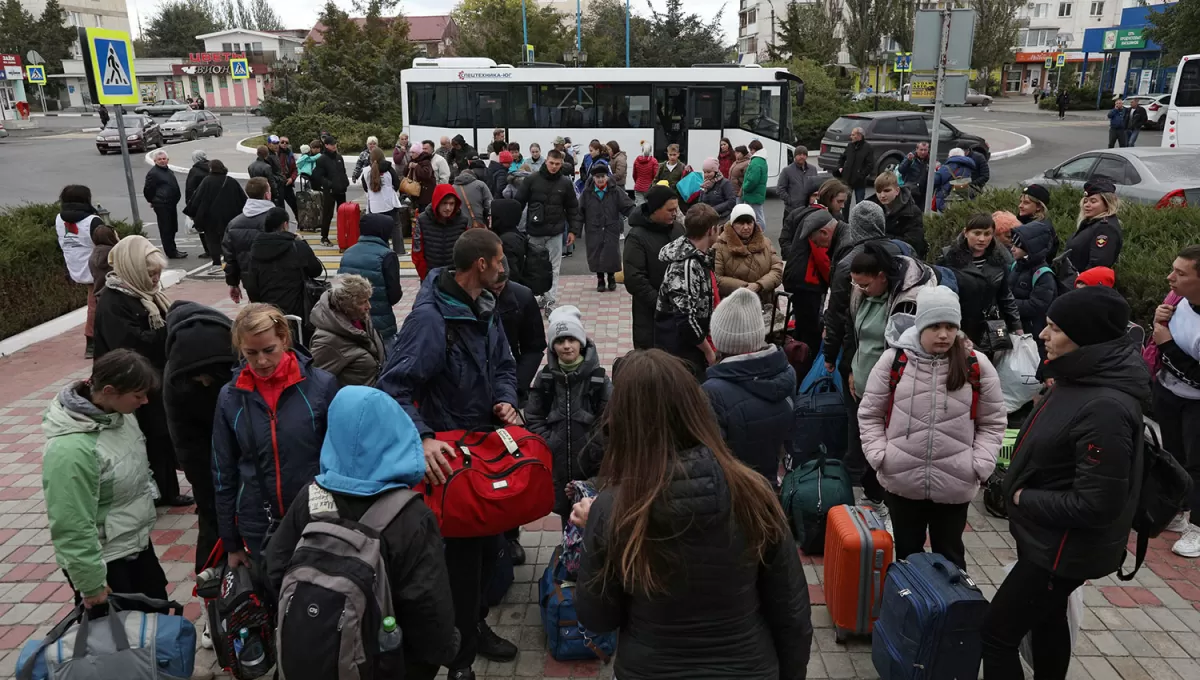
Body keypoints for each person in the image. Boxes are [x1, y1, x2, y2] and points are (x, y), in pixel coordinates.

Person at [572, 349, 812, 680]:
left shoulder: (613, 508)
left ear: (624, 422)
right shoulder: (754, 492)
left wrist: (596, 531)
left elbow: (597, 616)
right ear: (696, 409)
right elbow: (792, 612)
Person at [982, 286, 1147, 679]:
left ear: (1085, 338)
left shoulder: (1104, 406)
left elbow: (1098, 503)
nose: (1042, 334)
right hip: (1050, 543)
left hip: (1061, 552)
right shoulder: (1078, 378)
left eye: (1054, 328)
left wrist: (1022, 497)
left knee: (995, 634)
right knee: (1047, 619)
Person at [377, 230, 521, 678]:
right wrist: (423, 437)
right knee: (458, 564)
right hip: (450, 461)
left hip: (484, 449)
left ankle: (474, 628)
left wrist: (505, 398)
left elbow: (504, 365)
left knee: (488, 549)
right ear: (480, 264)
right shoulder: (430, 319)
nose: (503, 266)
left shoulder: (485, 306)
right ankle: (458, 660)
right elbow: (392, 387)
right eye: (498, 260)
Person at [265, 386, 460, 680]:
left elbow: (275, 566)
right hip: (386, 664)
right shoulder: (411, 516)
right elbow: (427, 604)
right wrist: (445, 649)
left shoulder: (310, 496)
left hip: (313, 657)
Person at [858, 286, 1006, 570]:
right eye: (935, 326)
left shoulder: (976, 365)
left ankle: (952, 613)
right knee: (906, 558)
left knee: (951, 560)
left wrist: (979, 465)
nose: (943, 334)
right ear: (920, 324)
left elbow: (993, 421)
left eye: (950, 326)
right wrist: (879, 455)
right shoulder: (895, 361)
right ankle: (909, 610)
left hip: (955, 482)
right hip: (902, 480)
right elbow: (870, 414)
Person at [213, 303, 340, 567]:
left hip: (316, 516)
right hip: (259, 523)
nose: (261, 361)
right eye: (251, 353)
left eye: (269, 350)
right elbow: (223, 471)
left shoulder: (321, 386)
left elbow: (341, 457)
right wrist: (231, 542)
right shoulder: (230, 397)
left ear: (283, 338)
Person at [44, 349, 168, 611]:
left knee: (156, 621)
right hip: (106, 563)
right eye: (138, 395)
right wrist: (91, 584)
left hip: (135, 545)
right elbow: (71, 524)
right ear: (110, 391)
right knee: (118, 645)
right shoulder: (71, 450)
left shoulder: (120, 417)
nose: (145, 401)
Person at [92, 235, 192, 509]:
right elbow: (130, 344)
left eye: (158, 273)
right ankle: (160, 492)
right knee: (150, 436)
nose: (155, 280)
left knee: (159, 435)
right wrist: (167, 330)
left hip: (151, 379)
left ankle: (166, 490)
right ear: (134, 270)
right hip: (129, 384)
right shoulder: (114, 300)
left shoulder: (145, 295)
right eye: (150, 274)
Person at [161, 301, 234, 630]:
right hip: (206, 459)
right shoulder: (175, 378)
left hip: (242, 458)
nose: (205, 383)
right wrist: (205, 488)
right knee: (213, 527)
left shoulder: (233, 360)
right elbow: (184, 442)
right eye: (198, 379)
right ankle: (213, 610)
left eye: (212, 377)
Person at [701, 288, 796, 486]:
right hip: (770, 485)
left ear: (720, 339)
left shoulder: (713, 392)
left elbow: (710, 458)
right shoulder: (787, 373)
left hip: (736, 492)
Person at [527, 306, 611, 523]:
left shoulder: (599, 379)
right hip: (559, 466)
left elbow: (610, 419)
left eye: (571, 340)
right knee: (568, 518)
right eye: (560, 340)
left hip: (592, 466)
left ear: (581, 342)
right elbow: (533, 416)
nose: (566, 346)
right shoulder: (545, 379)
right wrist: (550, 442)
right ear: (553, 346)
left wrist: (593, 445)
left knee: (594, 517)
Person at [1151, 246, 1200, 557]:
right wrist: (1160, 321)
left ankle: (1197, 528)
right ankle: (1179, 511)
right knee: (1173, 456)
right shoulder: (1178, 300)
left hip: (1196, 402)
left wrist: (1166, 344)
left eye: (1181, 274)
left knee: (1198, 464)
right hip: (1169, 392)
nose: (1170, 278)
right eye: (1173, 269)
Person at [937, 213, 1022, 354]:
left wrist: (1017, 326)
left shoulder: (1000, 259)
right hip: (959, 324)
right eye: (977, 233)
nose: (982, 239)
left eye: (987, 234)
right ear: (966, 233)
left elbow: (1005, 296)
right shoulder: (949, 257)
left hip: (990, 327)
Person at [656, 203, 723, 379]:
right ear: (710, 230)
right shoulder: (686, 265)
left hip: (690, 347)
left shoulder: (699, 257)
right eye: (718, 228)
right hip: (682, 353)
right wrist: (709, 353)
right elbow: (685, 319)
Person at [515, 149, 582, 314]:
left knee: (554, 268)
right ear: (546, 161)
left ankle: (550, 301)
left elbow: (573, 208)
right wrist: (513, 227)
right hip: (534, 231)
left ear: (561, 164)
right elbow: (518, 203)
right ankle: (535, 298)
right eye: (551, 163)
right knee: (533, 267)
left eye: (557, 164)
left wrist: (573, 230)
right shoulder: (531, 180)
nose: (554, 166)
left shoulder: (565, 183)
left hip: (556, 232)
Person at [625, 185, 685, 349]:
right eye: (670, 210)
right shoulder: (636, 236)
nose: (675, 213)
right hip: (650, 316)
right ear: (655, 210)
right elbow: (634, 279)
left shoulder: (678, 229)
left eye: (676, 209)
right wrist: (662, 304)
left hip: (680, 313)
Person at [244, 207, 324, 323]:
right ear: (285, 225)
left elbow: (251, 285)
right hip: (298, 311)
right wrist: (302, 243)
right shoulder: (297, 246)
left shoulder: (256, 248)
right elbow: (316, 270)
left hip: (269, 314)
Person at [310, 274, 387, 387]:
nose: (369, 306)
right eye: (362, 302)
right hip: (356, 402)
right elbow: (316, 384)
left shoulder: (360, 319)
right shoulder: (327, 341)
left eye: (367, 300)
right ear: (347, 306)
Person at [782, 207, 838, 362]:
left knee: (802, 324)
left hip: (795, 279)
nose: (841, 206)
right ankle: (806, 361)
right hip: (807, 282)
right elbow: (823, 260)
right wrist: (834, 282)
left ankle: (798, 356)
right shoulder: (818, 223)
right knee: (811, 329)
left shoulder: (803, 215)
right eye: (839, 202)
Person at [336, 213, 404, 341]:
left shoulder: (348, 252)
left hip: (352, 322)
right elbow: (394, 295)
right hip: (380, 325)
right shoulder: (387, 255)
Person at [56, 185, 104, 358]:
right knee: (96, 304)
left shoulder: (59, 219)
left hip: (75, 266)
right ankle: (92, 340)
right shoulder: (92, 221)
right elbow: (105, 243)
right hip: (96, 267)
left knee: (94, 302)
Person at [489, 267, 545, 410]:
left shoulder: (522, 296)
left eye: (499, 288)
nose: (495, 293)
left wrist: (517, 387)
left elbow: (534, 348)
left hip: (511, 379)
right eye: (490, 289)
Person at [579, 162, 633, 292]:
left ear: (607, 177)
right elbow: (578, 212)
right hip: (593, 229)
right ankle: (600, 279)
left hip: (611, 227)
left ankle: (611, 277)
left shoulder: (615, 191)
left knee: (611, 253)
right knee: (596, 253)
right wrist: (574, 230)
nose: (600, 179)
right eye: (597, 177)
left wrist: (636, 218)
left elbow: (628, 206)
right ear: (593, 178)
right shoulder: (587, 193)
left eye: (603, 176)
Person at [714, 203, 784, 303]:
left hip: (766, 303)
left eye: (749, 223)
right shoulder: (719, 246)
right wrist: (745, 287)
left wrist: (759, 285)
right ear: (732, 225)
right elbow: (716, 278)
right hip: (735, 305)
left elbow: (777, 269)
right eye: (741, 223)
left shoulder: (766, 243)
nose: (746, 227)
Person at [221, 178, 277, 302]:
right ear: (267, 195)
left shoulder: (234, 224)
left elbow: (230, 259)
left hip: (250, 282)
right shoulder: (275, 220)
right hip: (277, 280)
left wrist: (233, 283)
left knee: (259, 316)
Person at [186, 160, 246, 269]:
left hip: (210, 217)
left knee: (212, 240)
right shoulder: (231, 181)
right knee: (227, 239)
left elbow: (197, 198)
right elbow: (242, 199)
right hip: (229, 216)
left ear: (211, 169)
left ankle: (217, 263)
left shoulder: (207, 181)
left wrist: (191, 213)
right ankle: (229, 261)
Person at [1065, 177, 1124, 274]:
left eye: (1093, 201)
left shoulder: (1105, 228)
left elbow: (1097, 266)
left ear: (1107, 203)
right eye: (1085, 201)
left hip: (1081, 285)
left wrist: (1080, 284)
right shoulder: (1091, 223)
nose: (1087, 205)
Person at [413, 184, 470, 281]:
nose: (448, 208)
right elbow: (417, 250)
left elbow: (467, 249)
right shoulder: (422, 220)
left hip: (455, 276)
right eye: (444, 203)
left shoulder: (462, 221)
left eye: (451, 204)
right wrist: (425, 275)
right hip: (430, 275)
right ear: (437, 202)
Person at [867, 172, 926, 258]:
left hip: (904, 257)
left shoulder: (912, 211)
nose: (882, 195)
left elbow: (914, 243)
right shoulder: (871, 208)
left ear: (897, 191)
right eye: (878, 191)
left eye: (887, 190)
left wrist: (882, 238)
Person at [143, 150, 186, 259]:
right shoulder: (153, 173)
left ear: (167, 160)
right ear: (155, 161)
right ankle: (171, 252)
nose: (162, 161)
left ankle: (173, 249)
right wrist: (152, 200)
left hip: (171, 203)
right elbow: (148, 189)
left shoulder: (168, 171)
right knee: (166, 228)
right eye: (160, 159)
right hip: (162, 204)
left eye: (164, 159)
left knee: (172, 227)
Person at [312, 135, 350, 248]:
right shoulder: (322, 159)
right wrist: (328, 185)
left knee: (343, 214)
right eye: (331, 144)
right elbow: (317, 176)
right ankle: (324, 237)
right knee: (328, 214)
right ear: (326, 145)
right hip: (330, 191)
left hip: (341, 190)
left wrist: (345, 183)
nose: (334, 146)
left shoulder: (339, 157)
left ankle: (343, 235)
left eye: (335, 144)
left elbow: (342, 172)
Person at [837, 127, 875, 212]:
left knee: (860, 205)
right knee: (845, 204)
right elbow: (842, 157)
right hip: (847, 179)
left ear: (859, 136)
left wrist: (861, 175)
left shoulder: (868, 148)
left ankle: (858, 222)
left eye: (853, 135)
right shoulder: (850, 145)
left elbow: (870, 165)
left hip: (859, 181)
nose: (851, 136)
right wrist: (841, 168)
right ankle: (845, 222)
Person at [777, 146, 818, 219]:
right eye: (799, 154)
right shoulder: (787, 171)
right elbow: (780, 189)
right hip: (791, 211)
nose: (802, 157)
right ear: (795, 156)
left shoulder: (812, 169)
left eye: (804, 155)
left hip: (808, 209)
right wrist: (790, 201)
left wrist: (813, 198)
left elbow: (816, 187)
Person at [741, 139, 769, 228]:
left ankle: (760, 234)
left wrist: (745, 187)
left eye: (751, 150)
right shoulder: (762, 160)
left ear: (754, 149)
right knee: (758, 214)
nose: (750, 152)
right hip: (758, 193)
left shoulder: (756, 161)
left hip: (753, 194)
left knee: (755, 216)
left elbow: (753, 180)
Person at [897, 141, 931, 207]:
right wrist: (908, 161)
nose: (923, 152)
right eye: (921, 150)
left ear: (928, 150)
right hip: (910, 190)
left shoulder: (930, 159)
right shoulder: (911, 157)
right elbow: (901, 170)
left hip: (923, 192)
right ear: (917, 149)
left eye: (925, 150)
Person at [274, 136, 299, 217]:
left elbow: (295, 169)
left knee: (295, 206)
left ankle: (301, 223)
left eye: (286, 142)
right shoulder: (275, 154)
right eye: (282, 142)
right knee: (281, 209)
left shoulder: (290, 154)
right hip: (278, 185)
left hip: (288, 184)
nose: (284, 144)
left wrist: (292, 178)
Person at [410, 141, 439, 209]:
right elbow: (405, 173)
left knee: (424, 212)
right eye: (411, 152)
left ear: (418, 153)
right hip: (415, 193)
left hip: (425, 194)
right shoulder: (413, 160)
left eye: (413, 152)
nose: (411, 154)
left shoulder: (426, 161)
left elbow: (426, 174)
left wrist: (416, 167)